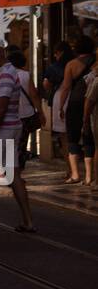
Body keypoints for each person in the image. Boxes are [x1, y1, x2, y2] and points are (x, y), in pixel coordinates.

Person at [0, 38, 36, 232]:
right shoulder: (6, 72)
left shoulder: (5, 74)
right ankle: (27, 221)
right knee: (13, 174)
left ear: (1, 52)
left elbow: (2, 103)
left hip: (1, 130)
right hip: (9, 128)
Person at [57, 32, 96, 184]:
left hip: (75, 102)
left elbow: (66, 87)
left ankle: (75, 175)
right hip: (93, 101)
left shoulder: (71, 64)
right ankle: (89, 177)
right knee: (89, 137)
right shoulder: (96, 62)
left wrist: (61, 107)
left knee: (72, 137)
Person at [7, 46, 43, 171]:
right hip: (26, 115)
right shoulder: (26, 75)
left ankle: (10, 168)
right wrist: (41, 112)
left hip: (10, 116)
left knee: (10, 143)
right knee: (22, 144)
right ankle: (19, 169)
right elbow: (34, 95)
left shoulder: (5, 75)